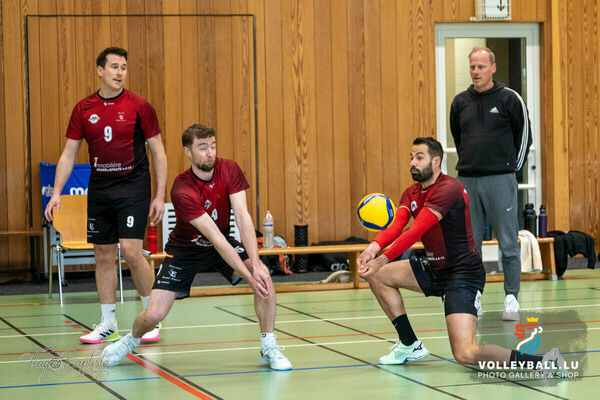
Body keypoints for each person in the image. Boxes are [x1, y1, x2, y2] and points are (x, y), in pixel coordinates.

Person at [356, 137, 564, 373]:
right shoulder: (411, 193)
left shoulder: (449, 188)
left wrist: (382, 258)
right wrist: (371, 250)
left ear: (436, 161)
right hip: (435, 268)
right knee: (377, 275)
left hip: (462, 275)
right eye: (411, 157)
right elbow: (397, 226)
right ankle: (409, 343)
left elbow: (416, 231)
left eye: (419, 157)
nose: (412, 163)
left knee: (466, 353)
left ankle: (543, 362)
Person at [101, 124, 292, 371]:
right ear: (188, 152)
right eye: (202, 148)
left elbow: (242, 217)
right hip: (185, 251)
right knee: (154, 315)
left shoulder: (229, 169)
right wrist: (248, 276)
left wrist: (255, 265)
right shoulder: (182, 189)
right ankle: (129, 341)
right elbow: (215, 238)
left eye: (212, 146)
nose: (210, 153)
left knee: (264, 278)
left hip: (221, 243)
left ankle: (268, 345)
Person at [44, 47, 167, 343]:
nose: (119, 72)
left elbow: (158, 151)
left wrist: (159, 195)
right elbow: (68, 154)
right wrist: (56, 193)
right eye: (114, 66)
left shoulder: (140, 106)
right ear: (100, 71)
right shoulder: (83, 109)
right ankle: (108, 323)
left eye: (123, 67)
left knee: (132, 251)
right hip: (100, 189)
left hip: (133, 187)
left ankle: (152, 317)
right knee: (103, 254)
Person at [450, 46, 532, 321]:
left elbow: (525, 137)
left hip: (500, 179)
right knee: (469, 245)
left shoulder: (510, 99)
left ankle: (511, 298)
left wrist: (510, 170)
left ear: (493, 68)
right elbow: (459, 138)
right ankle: (473, 296)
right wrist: (471, 164)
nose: (476, 71)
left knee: (507, 242)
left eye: (481, 66)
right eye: (472, 66)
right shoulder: (460, 102)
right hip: (468, 181)